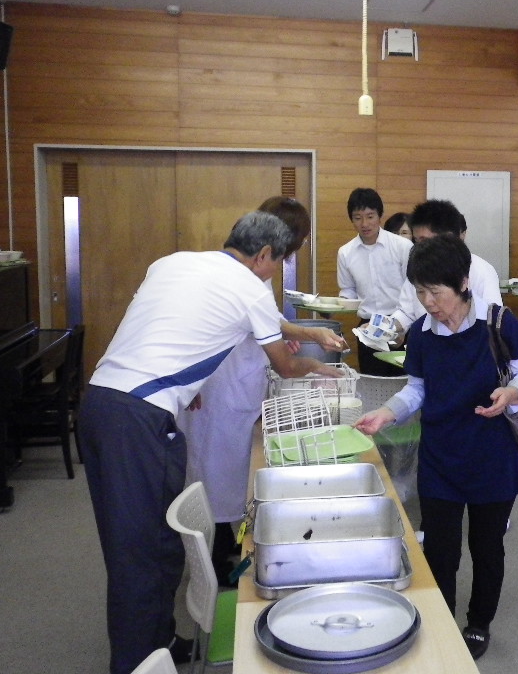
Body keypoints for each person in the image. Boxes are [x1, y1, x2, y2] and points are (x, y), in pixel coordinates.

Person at [78, 211, 346, 674]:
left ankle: (160, 642)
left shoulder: (173, 262)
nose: (273, 272)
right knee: (143, 554)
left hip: (99, 402)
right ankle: (136, 663)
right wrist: (320, 367)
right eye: (277, 262)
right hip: (139, 421)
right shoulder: (249, 287)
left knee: (144, 544)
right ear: (264, 255)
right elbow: (285, 365)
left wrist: (189, 380)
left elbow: (170, 326)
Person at [354, 235, 518, 660]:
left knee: (487, 547)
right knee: (440, 550)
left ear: (463, 283)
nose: (428, 301)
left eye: (435, 291)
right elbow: (417, 390)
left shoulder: (497, 321)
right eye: (420, 292)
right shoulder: (422, 333)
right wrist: (386, 413)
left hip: (492, 454)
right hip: (440, 455)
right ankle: (440, 620)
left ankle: (478, 624)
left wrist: (512, 391)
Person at [176, 195, 314, 581]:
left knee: (231, 477)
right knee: (214, 478)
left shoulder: (252, 273)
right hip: (218, 390)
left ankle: (226, 550)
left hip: (235, 385)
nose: (281, 263)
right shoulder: (235, 275)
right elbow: (279, 358)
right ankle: (216, 562)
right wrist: (309, 356)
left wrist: (278, 339)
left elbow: (264, 322)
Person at [389, 199, 503, 336]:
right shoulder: (418, 269)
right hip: (427, 341)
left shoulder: (481, 270)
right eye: (417, 241)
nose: (420, 248)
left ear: (449, 237)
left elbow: (493, 318)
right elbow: (406, 313)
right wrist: (385, 328)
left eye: (425, 241)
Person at [336, 188, 413, 375]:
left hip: (401, 323)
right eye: (358, 218)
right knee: (372, 381)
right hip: (368, 327)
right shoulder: (345, 253)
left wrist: (401, 327)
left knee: (406, 381)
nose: (365, 224)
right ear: (351, 219)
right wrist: (336, 306)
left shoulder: (402, 246)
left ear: (380, 215)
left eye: (370, 216)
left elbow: (412, 290)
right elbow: (348, 290)